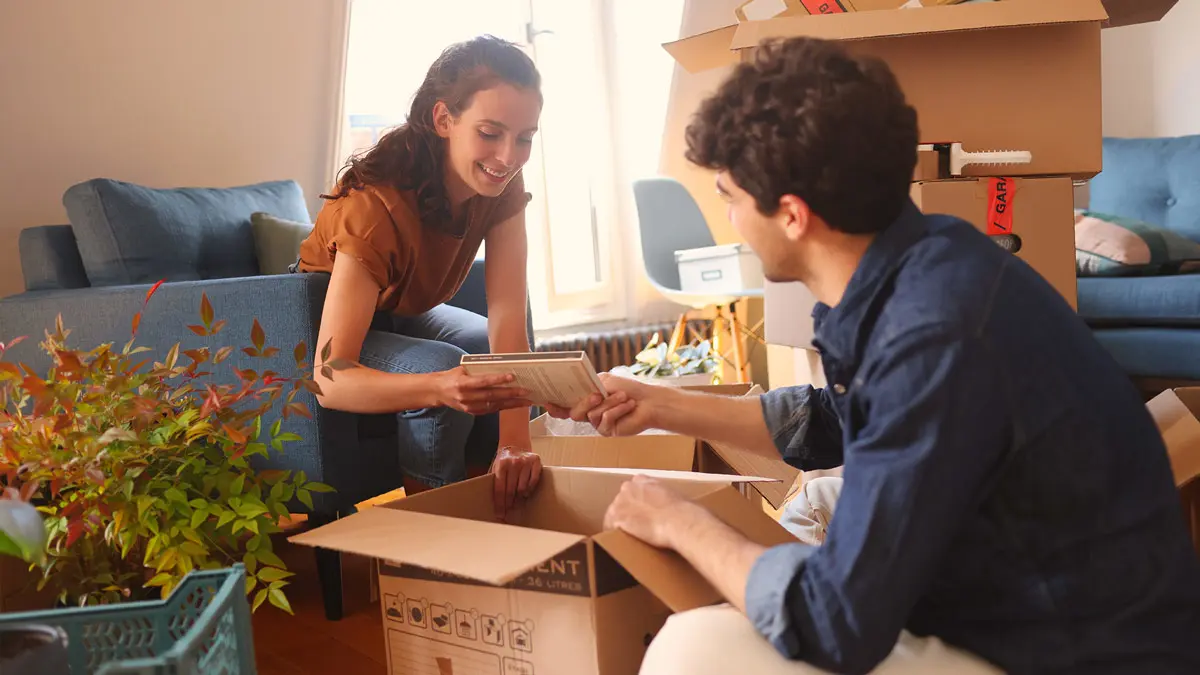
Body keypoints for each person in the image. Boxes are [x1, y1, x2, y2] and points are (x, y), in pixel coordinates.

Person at [550, 36, 1200, 674]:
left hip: (1075, 653)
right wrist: (661, 403)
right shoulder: (930, 260)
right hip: (1034, 607)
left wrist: (682, 523)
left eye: (729, 197)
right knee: (794, 542)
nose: (730, 221)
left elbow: (836, 621)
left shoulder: (932, 332)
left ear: (793, 214)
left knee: (694, 647)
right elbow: (837, 417)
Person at [296, 35, 543, 517]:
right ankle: (435, 530)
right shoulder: (372, 207)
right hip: (321, 326)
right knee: (445, 364)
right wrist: (438, 387)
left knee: (479, 343)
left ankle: (503, 508)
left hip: (399, 311)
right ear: (444, 119)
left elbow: (509, 320)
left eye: (525, 137)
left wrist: (515, 443)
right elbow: (329, 377)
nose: (509, 156)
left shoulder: (503, 184)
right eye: (491, 133)